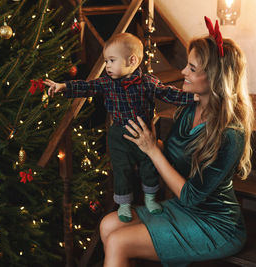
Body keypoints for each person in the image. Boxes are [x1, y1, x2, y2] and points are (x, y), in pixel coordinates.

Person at [99, 16, 254, 266]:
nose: (183, 71)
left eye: (192, 68)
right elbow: (168, 160)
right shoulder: (186, 111)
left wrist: (153, 150)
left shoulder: (230, 134)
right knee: (108, 224)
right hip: (181, 208)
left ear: (214, 78)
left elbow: (191, 196)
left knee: (118, 241)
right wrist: (141, 144)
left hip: (214, 224)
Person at [44, 33, 195, 222]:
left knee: (149, 165)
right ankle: (124, 204)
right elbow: (87, 86)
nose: (107, 65)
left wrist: (193, 97)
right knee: (121, 169)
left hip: (143, 134)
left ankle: (150, 198)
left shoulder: (148, 82)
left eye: (111, 60)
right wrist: (63, 86)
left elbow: (168, 94)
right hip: (118, 135)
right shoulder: (107, 83)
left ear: (132, 60)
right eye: (106, 61)